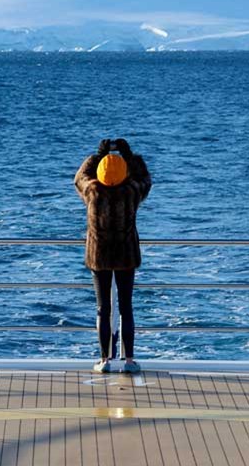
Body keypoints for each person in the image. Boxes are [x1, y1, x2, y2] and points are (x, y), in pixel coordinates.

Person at [74, 137, 152, 373]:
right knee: (126, 307)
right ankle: (129, 361)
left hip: (99, 256)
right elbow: (145, 179)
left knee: (103, 308)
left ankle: (104, 360)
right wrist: (128, 154)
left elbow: (79, 178)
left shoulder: (92, 191)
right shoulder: (131, 192)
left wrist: (98, 155)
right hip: (126, 255)